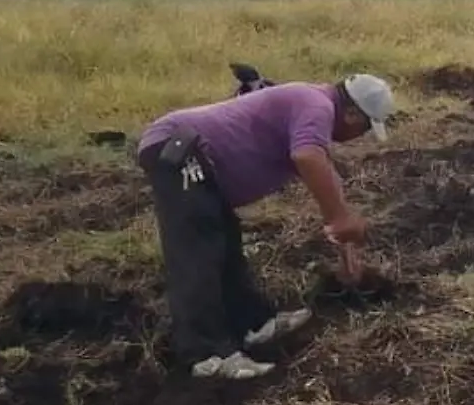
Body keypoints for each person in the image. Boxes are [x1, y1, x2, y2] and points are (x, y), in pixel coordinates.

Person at [136, 74, 395, 380]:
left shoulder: (312, 105)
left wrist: (347, 253)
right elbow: (307, 157)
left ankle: (253, 324)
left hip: (200, 161)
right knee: (198, 249)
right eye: (365, 128)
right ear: (352, 113)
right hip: (180, 148)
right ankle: (206, 354)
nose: (359, 136)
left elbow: (328, 180)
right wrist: (340, 219)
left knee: (225, 243)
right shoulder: (316, 105)